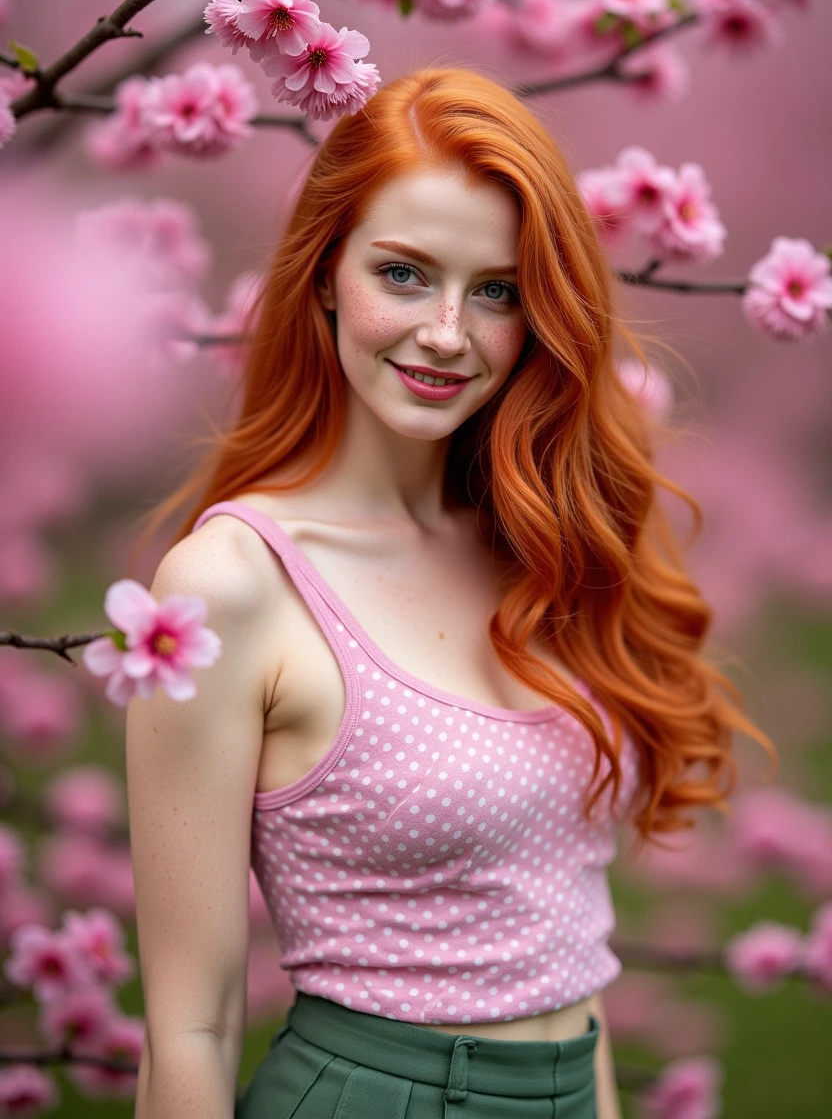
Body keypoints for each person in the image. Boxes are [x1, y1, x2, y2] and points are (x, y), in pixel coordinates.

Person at [126, 67, 777, 1119]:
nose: (445, 333)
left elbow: (566, 937)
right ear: (326, 272)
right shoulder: (233, 587)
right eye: (404, 274)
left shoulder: (537, 546)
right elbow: (188, 1028)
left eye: (496, 291)